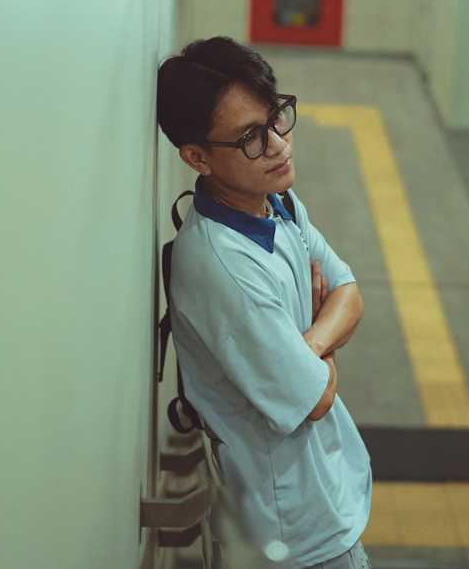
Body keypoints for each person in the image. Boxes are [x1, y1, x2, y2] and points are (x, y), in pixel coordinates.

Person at [156, 37, 373, 568]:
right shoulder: (222, 266)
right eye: (250, 138)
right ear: (197, 157)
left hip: (328, 496)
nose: (277, 144)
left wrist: (310, 347)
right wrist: (324, 356)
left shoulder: (277, 204)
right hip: (298, 536)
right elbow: (315, 399)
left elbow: (349, 291)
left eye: (276, 119)